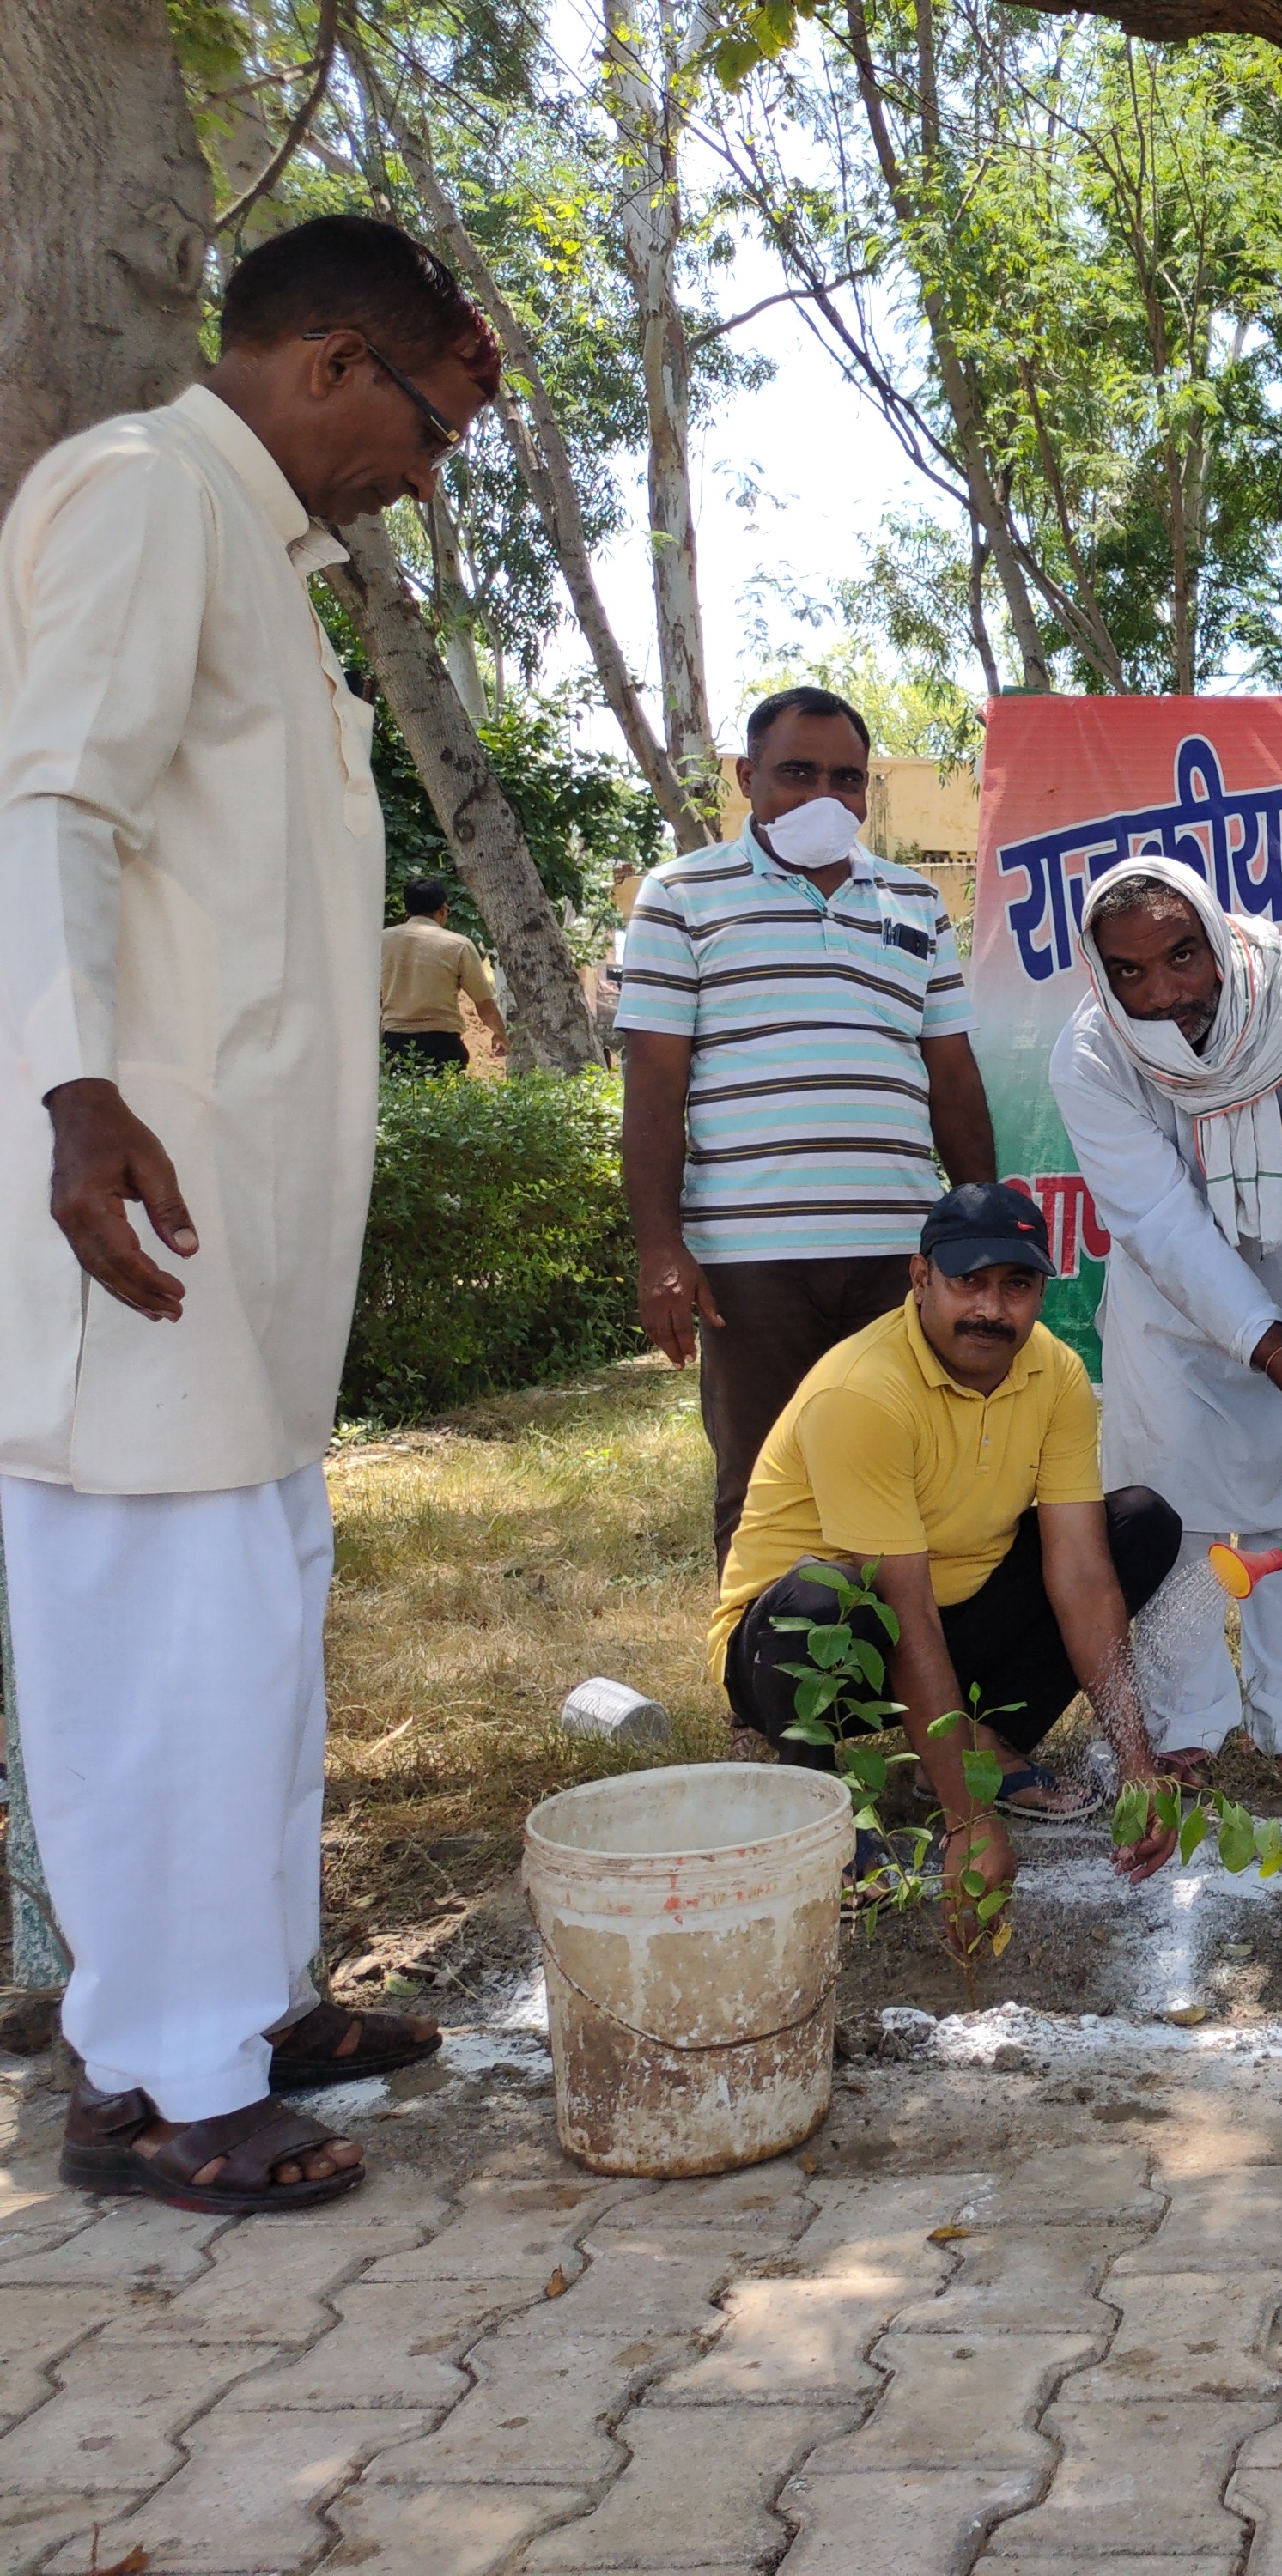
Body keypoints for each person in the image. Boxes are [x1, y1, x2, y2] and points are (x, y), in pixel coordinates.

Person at [0, 214, 501, 2214]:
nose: (423, 468)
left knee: (256, 1611)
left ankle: (248, 1996)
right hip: (141, 1187)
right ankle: (157, 2084)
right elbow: (53, 807)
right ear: (326, 368)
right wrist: (75, 1094)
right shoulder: (138, 496)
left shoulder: (260, 557)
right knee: (158, 1634)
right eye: (425, 421)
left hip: (245, 1228)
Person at [712, 1185, 1181, 1912]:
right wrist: (972, 1822)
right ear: (920, 1278)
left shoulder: (1053, 1374)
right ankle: (824, 1812)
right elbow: (902, 1610)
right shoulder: (865, 1391)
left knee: (1139, 1525)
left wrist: (1138, 1764)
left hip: (942, 1618)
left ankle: (974, 1749)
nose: (992, 1310)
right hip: (807, 1650)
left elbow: (1083, 1576)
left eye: (1017, 1286)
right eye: (969, 1282)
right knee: (831, 1600)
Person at [616, 688, 997, 1558]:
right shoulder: (682, 898)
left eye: (846, 778)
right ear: (748, 778)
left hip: (900, 1254)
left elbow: (952, 1075)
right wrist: (661, 1250)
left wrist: (978, 1227)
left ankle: (900, 1691)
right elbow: (653, 1088)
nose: (825, 795)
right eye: (797, 772)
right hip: (752, 1264)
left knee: (905, 1479)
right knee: (764, 1492)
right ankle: (770, 1696)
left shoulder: (914, 903)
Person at [1048, 857, 1282, 1787]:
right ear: (1101, 971)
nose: (1162, 993)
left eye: (1181, 955)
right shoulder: (1092, 1054)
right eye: (1128, 971)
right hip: (1176, 1315)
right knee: (1176, 1513)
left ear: (1215, 935)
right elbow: (1163, 1227)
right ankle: (1186, 1723)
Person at [377, 877, 505, 1072]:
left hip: (394, 1043)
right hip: (442, 1045)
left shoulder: (381, 941)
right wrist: (500, 1033)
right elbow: (484, 1003)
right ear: (443, 910)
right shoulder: (458, 945)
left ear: (407, 909)